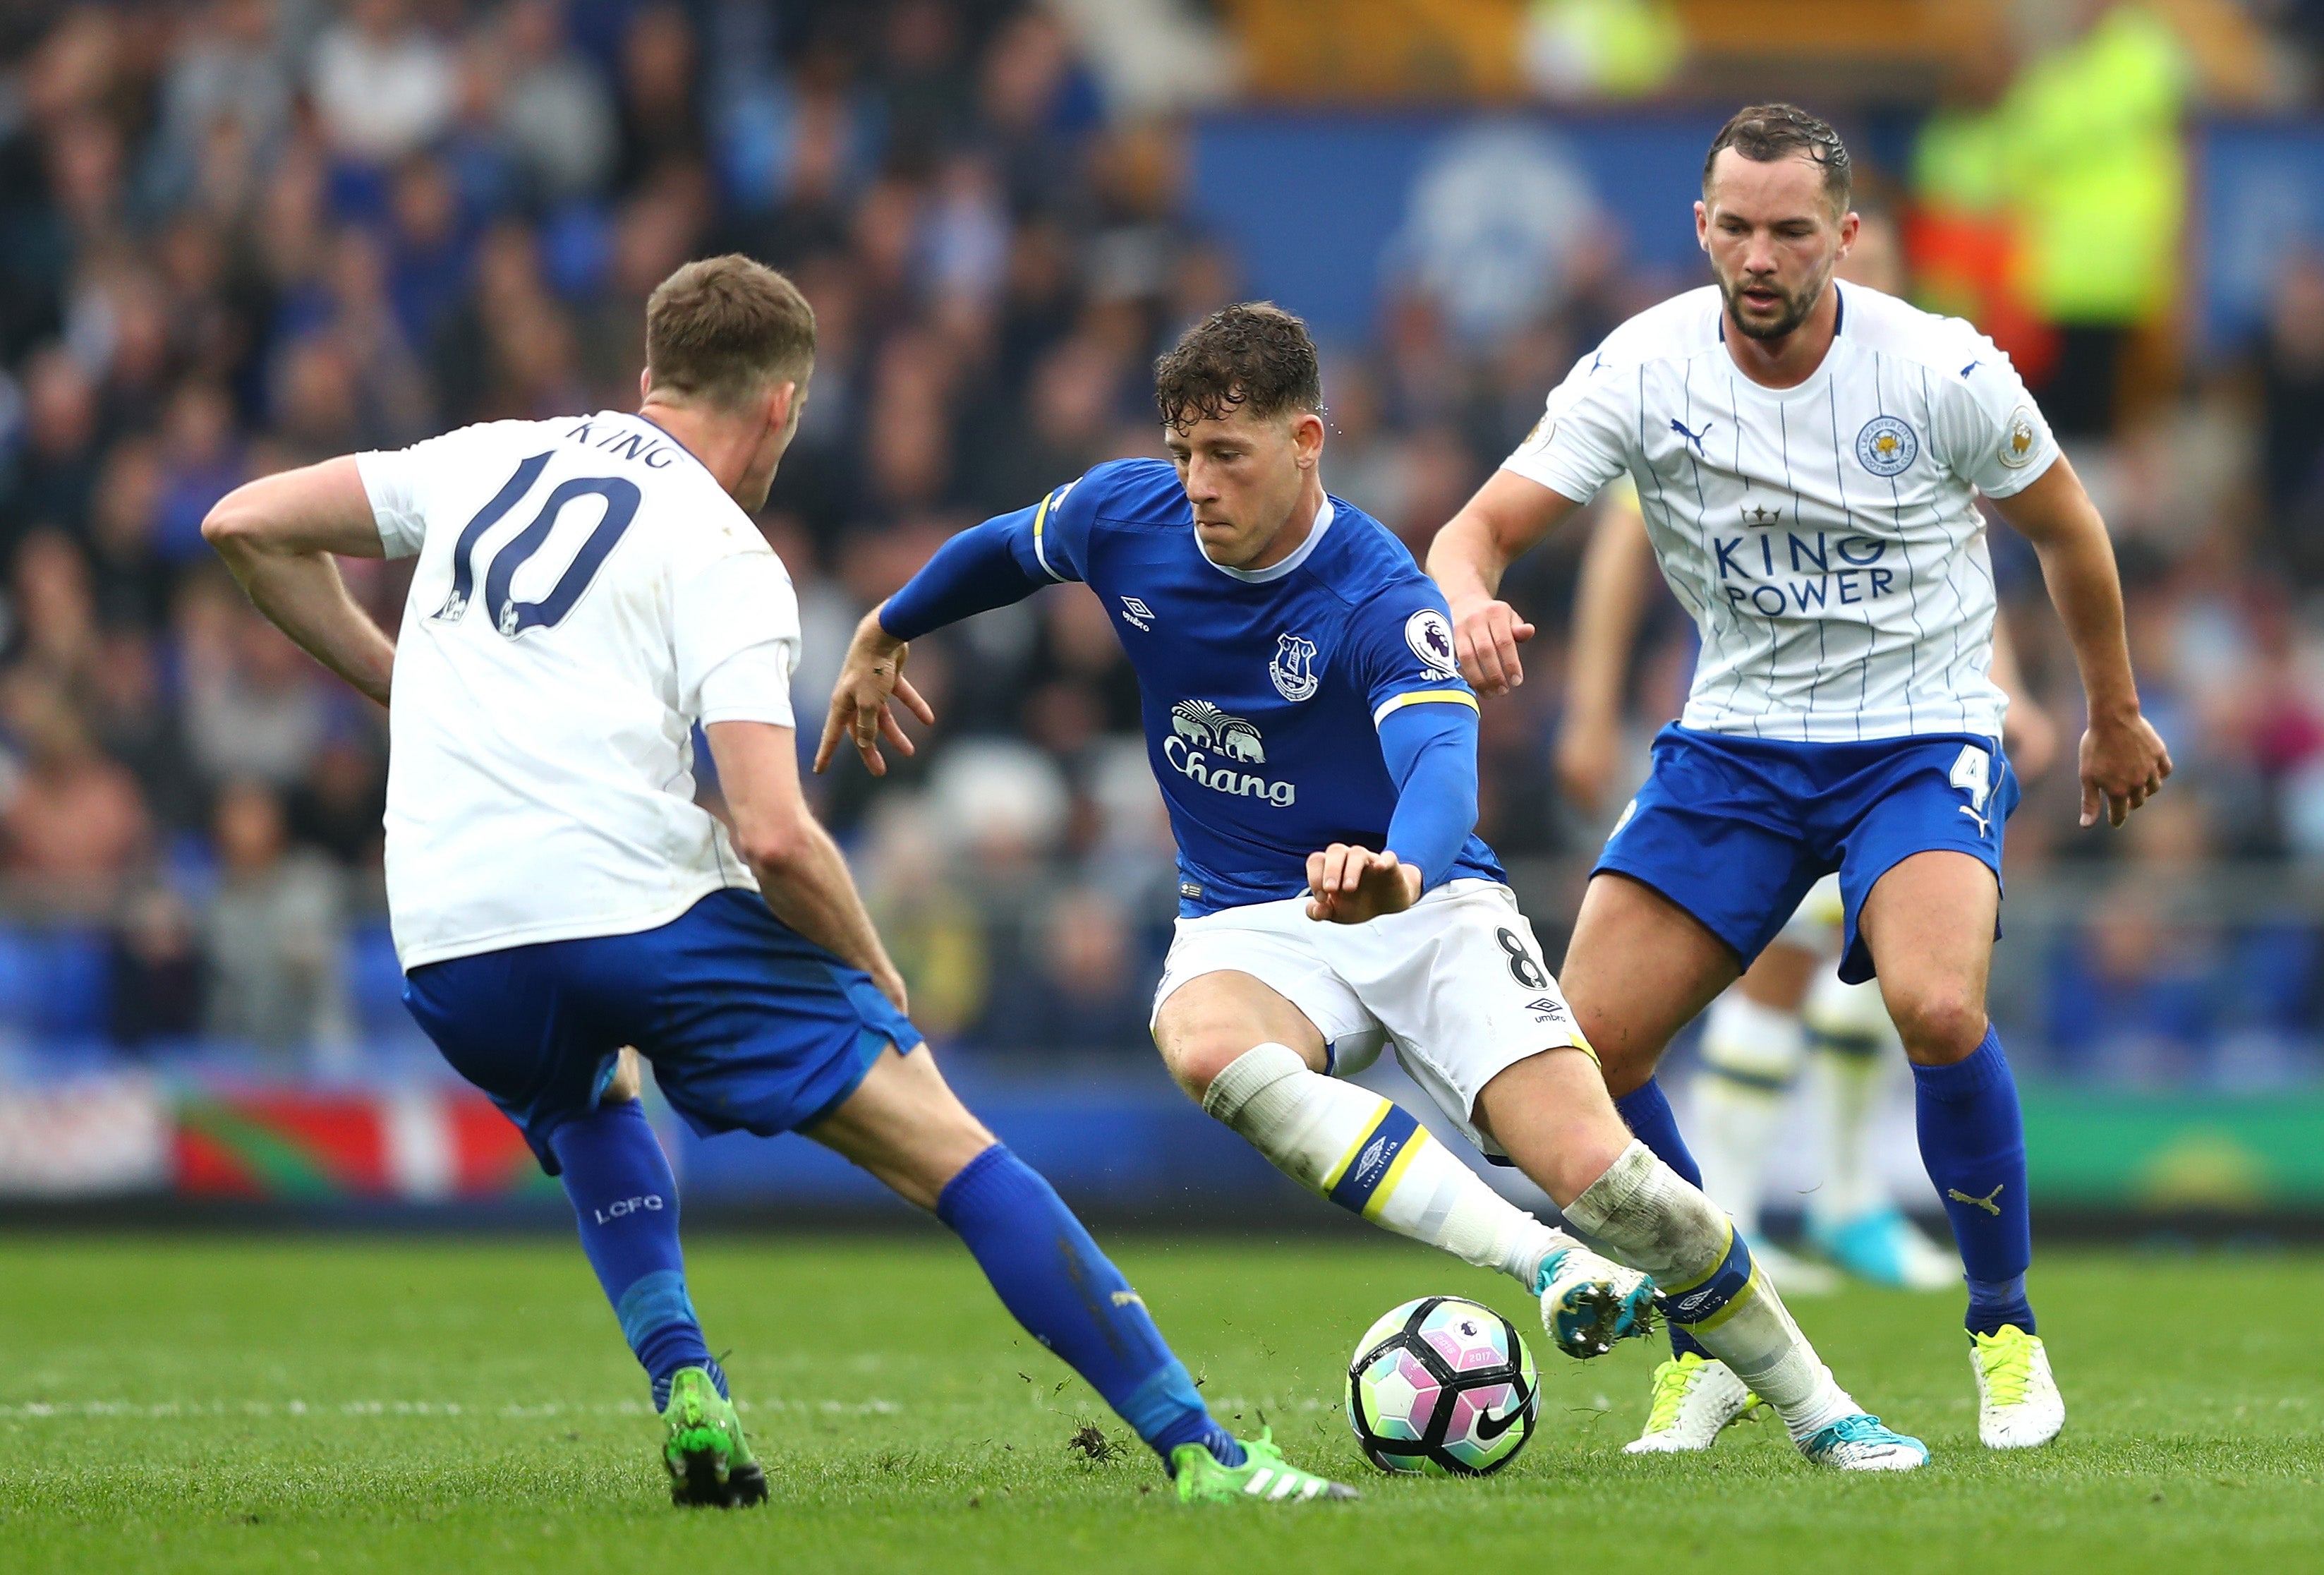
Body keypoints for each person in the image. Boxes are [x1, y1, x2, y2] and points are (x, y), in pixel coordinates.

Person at [202, 253, 1351, 1508]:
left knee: (591, 1099)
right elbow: (774, 833)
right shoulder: (727, 553)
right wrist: (873, 961)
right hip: (629, 914)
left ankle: (687, 1386)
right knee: (951, 1152)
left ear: (650, 378)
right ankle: (1206, 1453)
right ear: (780, 407)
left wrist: (401, 685)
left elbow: (244, 525)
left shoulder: (486, 455)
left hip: (450, 941)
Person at [823, 301, 1928, 1471]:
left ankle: (1822, 1410)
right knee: (1204, 1041)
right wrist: (888, 626)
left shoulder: (1377, 597)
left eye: (1227, 456)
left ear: (1306, 443)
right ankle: (1541, 1261)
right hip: (1250, 913)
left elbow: (1443, 775)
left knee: (1621, 1193)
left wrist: (1397, 869)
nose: (1197, 484)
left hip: (1430, 903)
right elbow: (1003, 550)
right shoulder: (1122, 515)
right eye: (1184, 452)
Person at [1427, 104, 2172, 1455]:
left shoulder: (1938, 369)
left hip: (1921, 728)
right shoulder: (1643, 368)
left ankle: (2002, 1334)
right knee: (1585, 1051)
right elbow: (1471, 531)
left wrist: (2111, 713)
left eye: (1789, 229)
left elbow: (2068, 529)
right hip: (1738, 742)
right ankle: (1719, 1322)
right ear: (1699, 225)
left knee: (1936, 1006)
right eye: (1736, 225)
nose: (1759, 255)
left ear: (1845, 235)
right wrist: (1469, 599)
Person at [1553, 202, 2061, 1298]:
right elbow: (1614, 553)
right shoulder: (1693, 381)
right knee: (1771, 983)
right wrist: (1590, 711)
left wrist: (2004, 692)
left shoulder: (1922, 374)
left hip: (1903, 732)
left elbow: (1948, 564)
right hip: (1759, 734)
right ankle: (1748, 1217)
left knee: (1898, 989)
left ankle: (1843, 1203)